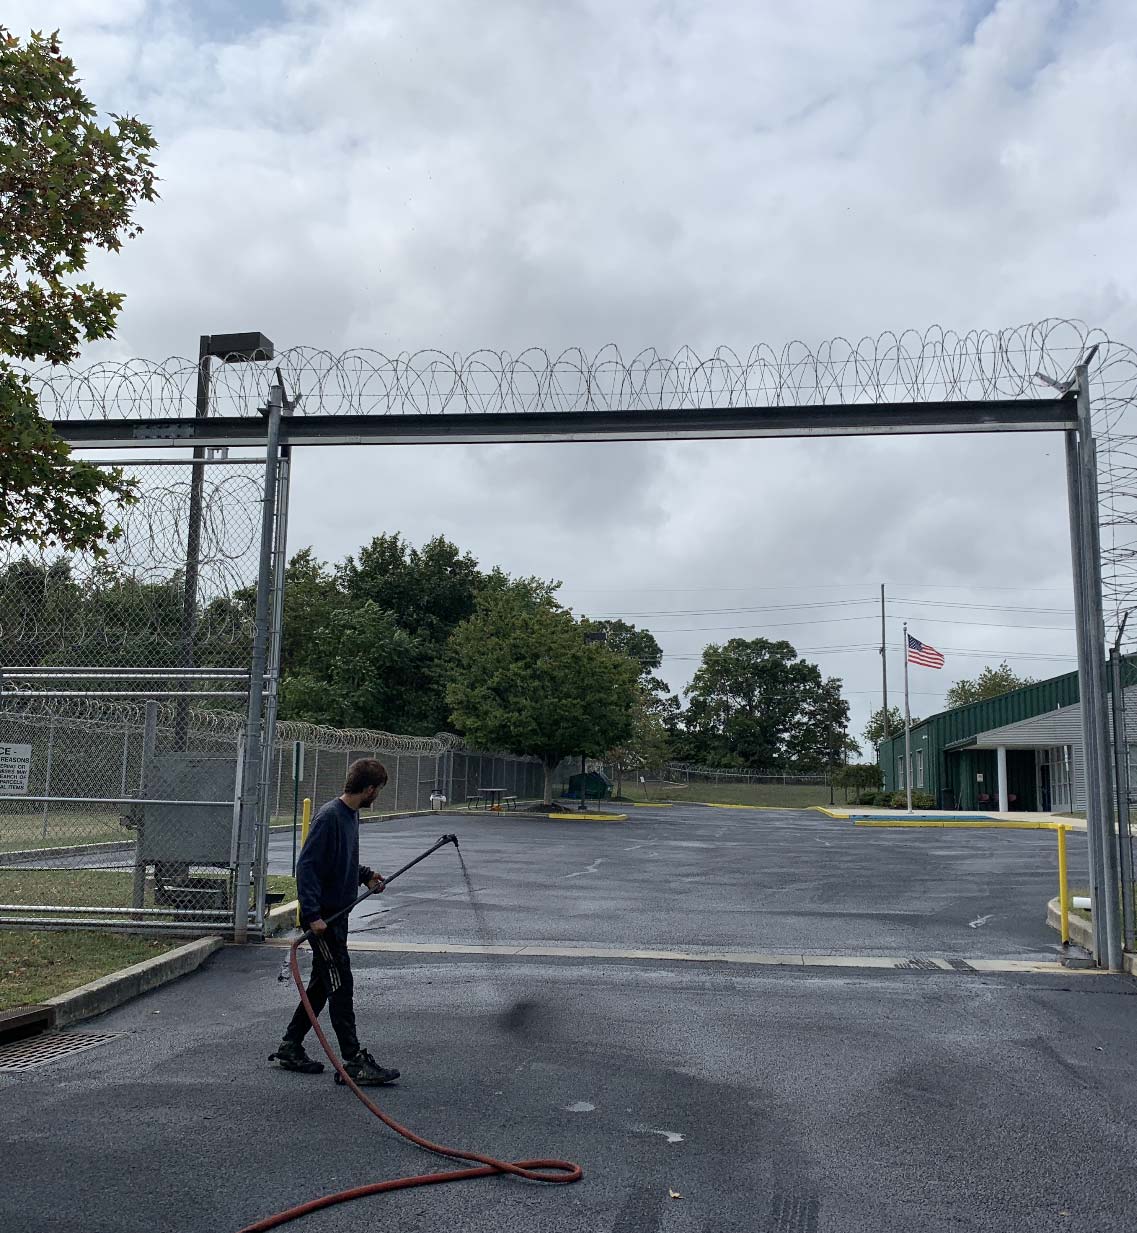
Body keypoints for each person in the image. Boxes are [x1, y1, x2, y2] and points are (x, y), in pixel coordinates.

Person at [270, 758, 400, 1084]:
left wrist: (366, 876)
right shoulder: (329, 817)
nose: (377, 797)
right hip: (323, 921)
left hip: (337, 917)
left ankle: (290, 1046)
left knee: (321, 986)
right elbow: (308, 867)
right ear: (369, 789)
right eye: (378, 791)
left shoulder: (350, 816)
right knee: (341, 985)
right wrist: (312, 916)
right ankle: (353, 1061)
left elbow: (340, 863)